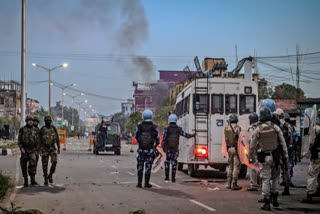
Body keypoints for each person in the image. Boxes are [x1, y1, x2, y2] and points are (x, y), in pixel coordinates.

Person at [249, 107, 288, 211]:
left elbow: (252, 145)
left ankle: (266, 201)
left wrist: (251, 157)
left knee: (265, 179)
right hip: (275, 157)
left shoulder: (258, 129)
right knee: (275, 178)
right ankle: (275, 199)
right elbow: (283, 143)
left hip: (264, 157)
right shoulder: (276, 128)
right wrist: (285, 156)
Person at [162, 114, 194, 183]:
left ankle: (167, 178)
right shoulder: (178, 129)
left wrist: (163, 149)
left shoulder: (166, 129)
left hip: (168, 149)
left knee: (167, 163)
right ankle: (173, 178)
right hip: (175, 149)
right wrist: (193, 135)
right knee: (174, 163)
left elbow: (164, 139)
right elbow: (186, 135)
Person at [135, 109, 159, 188]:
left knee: (140, 166)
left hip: (141, 150)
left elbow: (136, 137)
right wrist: (156, 148)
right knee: (148, 167)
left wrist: (140, 143)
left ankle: (139, 183)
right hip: (150, 150)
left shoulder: (139, 126)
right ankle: (146, 183)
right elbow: (157, 139)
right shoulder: (154, 127)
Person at [302, 109, 320, 203]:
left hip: (317, 154)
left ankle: (309, 194)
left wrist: (307, 153)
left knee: (312, 174)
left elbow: (311, 142)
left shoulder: (316, 128)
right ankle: (318, 190)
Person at [274, 108, 293, 196]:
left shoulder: (276, 125)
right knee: (286, 169)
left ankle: (274, 189)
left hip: (278, 150)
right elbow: (291, 139)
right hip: (287, 149)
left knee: (276, 170)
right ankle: (287, 188)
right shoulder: (288, 126)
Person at [18, 115, 40, 187]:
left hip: (33, 150)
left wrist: (37, 150)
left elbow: (38, 141)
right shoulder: (22, 129)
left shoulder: (36, 130)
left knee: (33, 165)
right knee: (23, 164)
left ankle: (32, 180)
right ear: (26, 121)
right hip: (24, 150)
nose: (31, 121)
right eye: (29, 120)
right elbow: (19, 140)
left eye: (31, 120)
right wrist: (21, 148)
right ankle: (25, 180)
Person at [39, 115, 60, 185]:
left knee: (54, 162)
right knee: (44, 165)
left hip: (52, 148)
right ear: (44, 122)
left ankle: (50, 175)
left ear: (51, 122)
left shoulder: (53, 128)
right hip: (44, 149)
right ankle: (45, 178)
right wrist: (40, 149)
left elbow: (57, 139)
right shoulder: (42, 129)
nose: (48, 122)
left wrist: (59, 148)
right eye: (46, 121)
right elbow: (39, 140)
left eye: (49, 121)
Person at [224, 114, 242, 190]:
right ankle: (234, 184)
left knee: (230, 166)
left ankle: (228, 183)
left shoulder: (226, 128)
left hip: (229, 149)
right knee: (236, 166)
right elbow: (240, 138)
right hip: (235, 148)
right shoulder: (237, 128)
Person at [247, 112, 260, 191]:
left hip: (254, 150)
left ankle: (254, 185)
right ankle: (260, 183)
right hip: (261, 150)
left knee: (252, 167)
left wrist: (250, 153)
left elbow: (252, 141)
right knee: (260, 167)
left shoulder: (252, 129)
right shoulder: (260, 127)